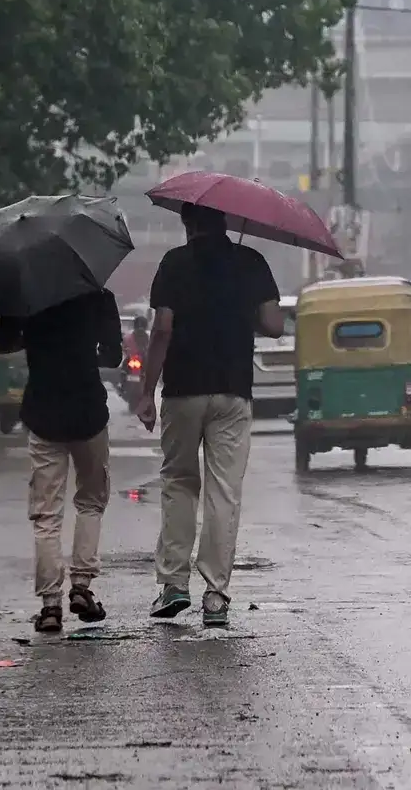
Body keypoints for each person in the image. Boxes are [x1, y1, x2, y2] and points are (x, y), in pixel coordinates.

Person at [136, 202, 283, 628]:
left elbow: (162, 329)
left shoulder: (174, 263)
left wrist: (146, 392)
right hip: (233, 390)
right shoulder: (251, 262)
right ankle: (215, 595)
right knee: (225, 491)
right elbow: (274, 325)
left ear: (188, 224)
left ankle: (173, 585)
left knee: (179, 483)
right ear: (224, 222)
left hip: (183, 389)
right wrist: (242, 312)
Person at [0, 289, 122, 633]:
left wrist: (34, 337)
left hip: (43, 413)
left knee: (46, 514)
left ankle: (50, 606)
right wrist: (84, 350)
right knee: (91, 500)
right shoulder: (98, 296)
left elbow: (2, 343)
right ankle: (82, 586)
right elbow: (113, 356)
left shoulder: (25, 294)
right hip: (88, 412)